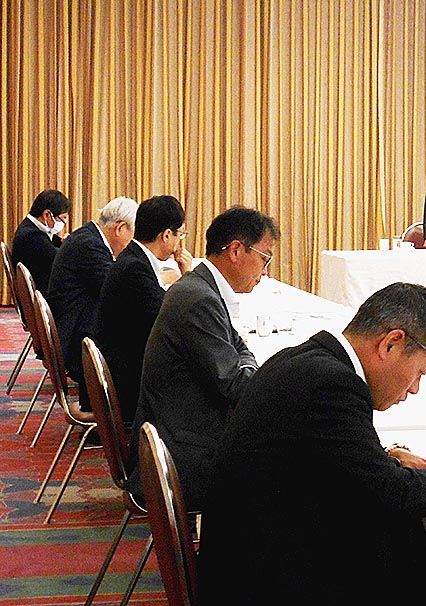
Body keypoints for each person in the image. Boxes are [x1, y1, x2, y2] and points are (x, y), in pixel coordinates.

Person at [200, 282, 426, 605]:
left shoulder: (303, 360)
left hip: (249, 560)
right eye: (420, 372)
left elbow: (331, 461)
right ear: (391, 343)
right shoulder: (332, 383)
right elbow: (387, 492)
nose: (415, 388)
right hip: (265, 584)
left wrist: (386, 458)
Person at [127, 206, 278, 510]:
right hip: (184, 455)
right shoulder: (199, 299)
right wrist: (249, 366)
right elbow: (237, 386)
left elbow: (240, 347)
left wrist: (245, 362)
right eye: (265, 259)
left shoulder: (199, 287)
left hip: (179, 434)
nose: (265, 272)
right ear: (236, 251)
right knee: (292, 471)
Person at [93, 196, 193, 426]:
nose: (179, 242)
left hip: (125, 364)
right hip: (129, 382)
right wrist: (188, 276)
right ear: (166, 235)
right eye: (179, 235)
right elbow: (171, 318)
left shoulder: (134, 258)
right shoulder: (134, 268)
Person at [47, 197, 137, 410]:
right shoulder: (89, 245)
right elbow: (117, 290)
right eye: (133, 235)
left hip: (74, 324)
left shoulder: (89, 236)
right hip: (76, 340)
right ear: (120, 228)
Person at [11, 189, 71, 292]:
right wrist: (71, 246)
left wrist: (66, 243)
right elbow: (60, 259)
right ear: (47, 214)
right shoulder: (32, 236)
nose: (64, 223)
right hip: (44, 293)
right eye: (63, 218)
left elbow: (53, 244)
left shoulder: (30, 227)